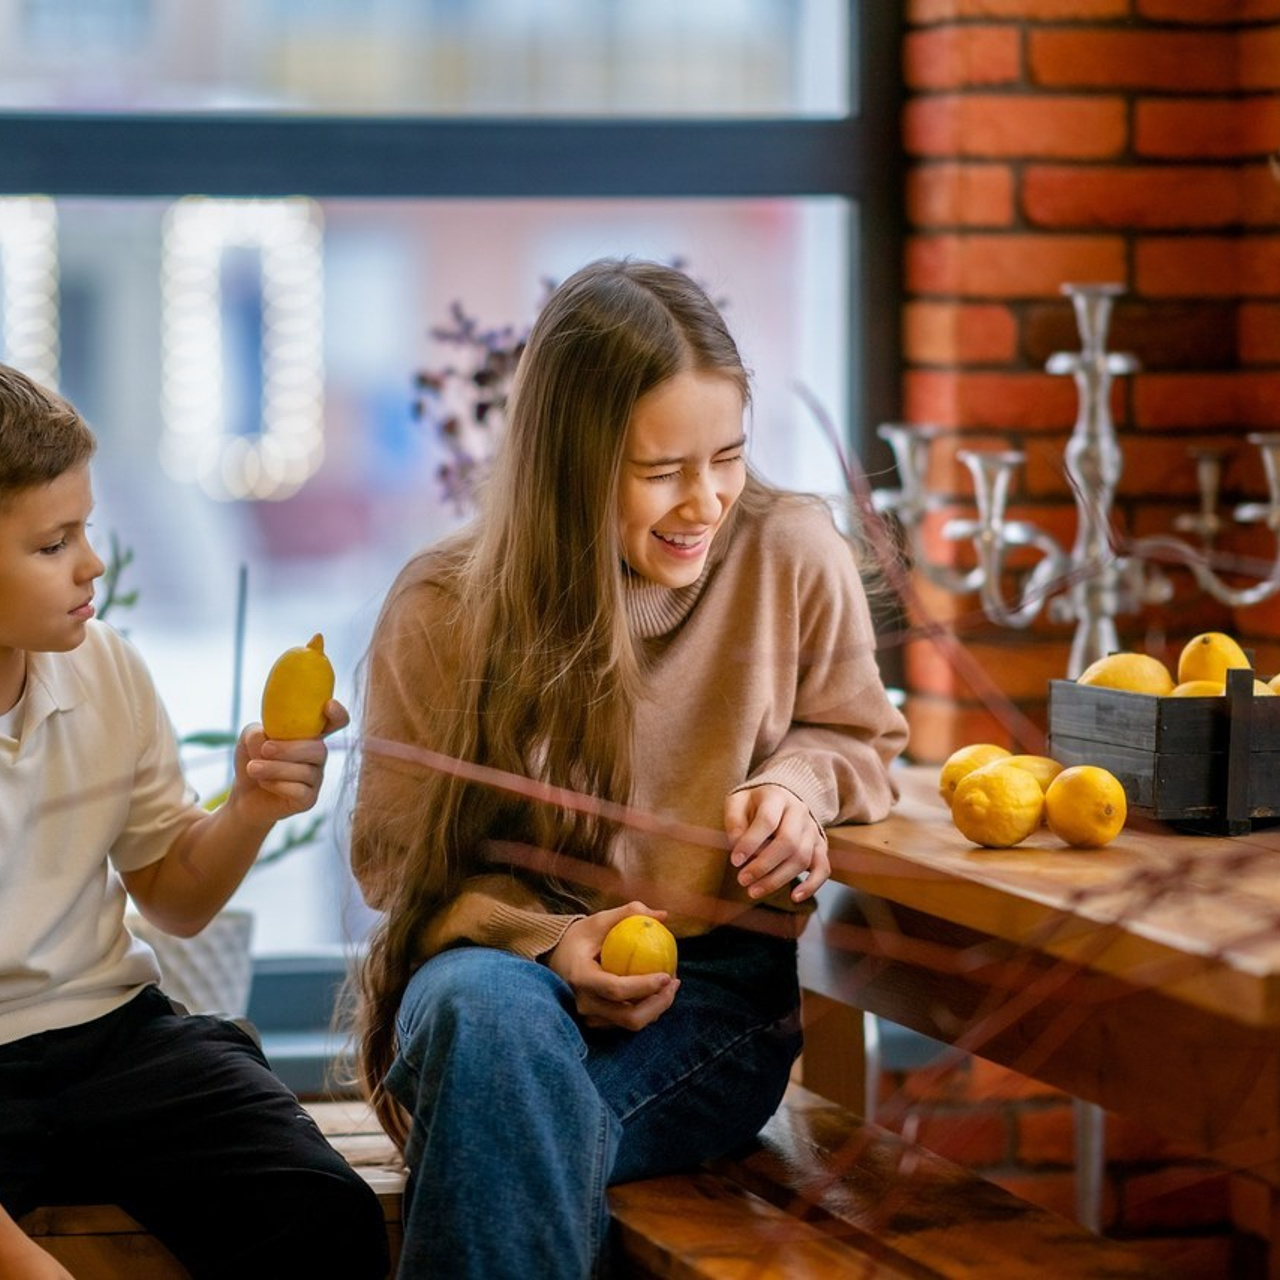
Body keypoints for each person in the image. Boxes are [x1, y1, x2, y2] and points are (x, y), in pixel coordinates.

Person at [350, 258, 908, 1279]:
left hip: (708, 1002)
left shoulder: (790, 552)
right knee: (488, 1027)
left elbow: (861, 740)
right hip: (494, 978)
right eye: (661, 472)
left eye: (728, 456)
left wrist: (796, 786)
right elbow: (391, 862)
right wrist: (556, 941)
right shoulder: (440, 606)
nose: (705, 501)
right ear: (569, 463)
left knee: (499, 1131)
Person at [0, 364, 390, 1279]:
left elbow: (174, 899)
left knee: (322, 1213)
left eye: (86, 529)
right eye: (54, 543)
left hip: (112, 1038)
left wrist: (250, 806)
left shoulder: (107, 670)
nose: (93, 564)